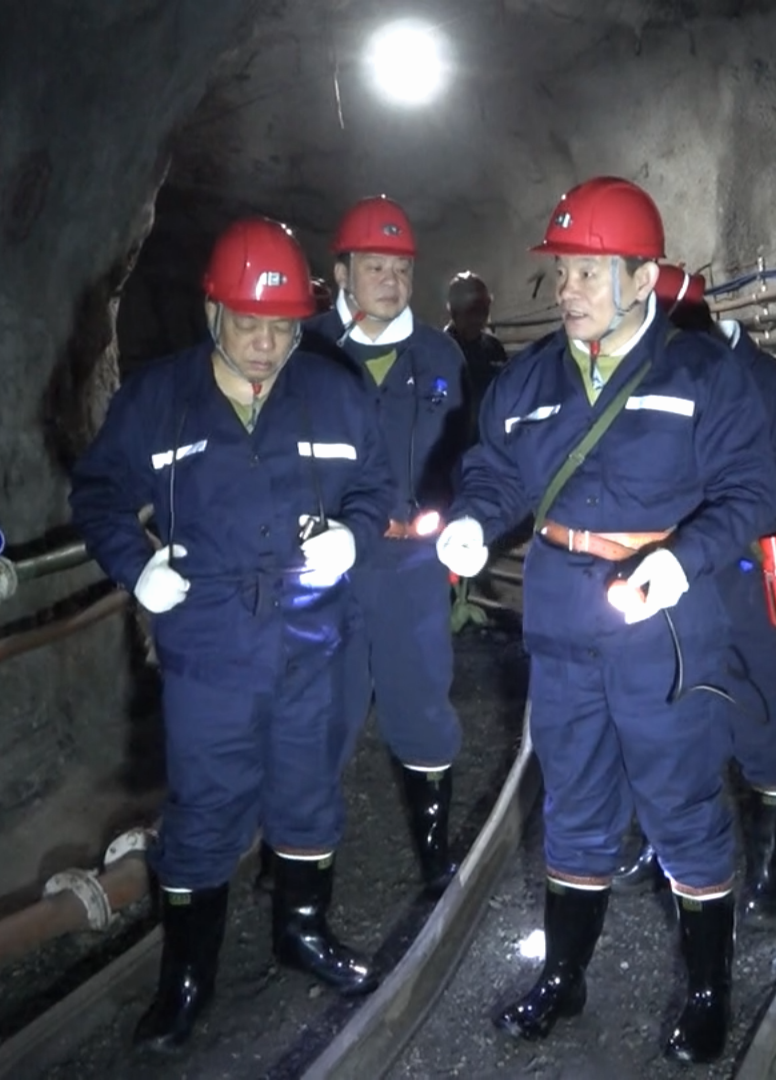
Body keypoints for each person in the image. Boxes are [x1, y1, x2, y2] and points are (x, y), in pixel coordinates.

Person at [436, 176, 775, 1064]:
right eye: (563, 272)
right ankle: (564, 976)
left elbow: (750, 490)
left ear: (643, 278)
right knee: (575, 797)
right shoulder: (529, 378)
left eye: (589, 272)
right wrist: (474, 518)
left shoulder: (702, 374)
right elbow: (496, 470)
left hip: (662, 621)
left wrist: (683, 559)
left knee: (681, 800)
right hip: (561, 618)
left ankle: (709, 992)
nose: (568, 290)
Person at [69, 216, 395, 1052]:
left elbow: (375, 482)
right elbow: (98, 493)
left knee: (309, 791)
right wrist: (135, 566)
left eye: (282, 327)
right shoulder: (158, 401)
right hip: (209, 648)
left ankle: (301, 931)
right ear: (213, 312)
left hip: (309, 640)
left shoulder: (332, 391)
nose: (265, 345)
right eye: (249, 325)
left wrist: (355, 532)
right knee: (205, 807)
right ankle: (187, 977)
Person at [611, 267, 776, 926]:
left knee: (756, 705)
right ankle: (664, 843)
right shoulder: (654, 370)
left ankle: (771, 870)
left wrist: (713, 509)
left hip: (735, 571)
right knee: (663, 705)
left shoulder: (769, 383)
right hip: (660, 571)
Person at [306, 195, 471, 899]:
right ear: (342, 272)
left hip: (411, 563)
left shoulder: (440, 355)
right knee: (320, 708)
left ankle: (434, 853)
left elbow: (466, 453)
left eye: (402, 268)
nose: (391, 281)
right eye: (375, 266)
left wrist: (463, 523)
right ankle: (297, 856)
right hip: (326, 566)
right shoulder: (305, 350)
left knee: (422, 703)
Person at [445, 270, 509, 432]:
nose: (477, 318)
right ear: (454, 311)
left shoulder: (493, 348)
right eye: (471, 311)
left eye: (482, 310)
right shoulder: (438, 351)